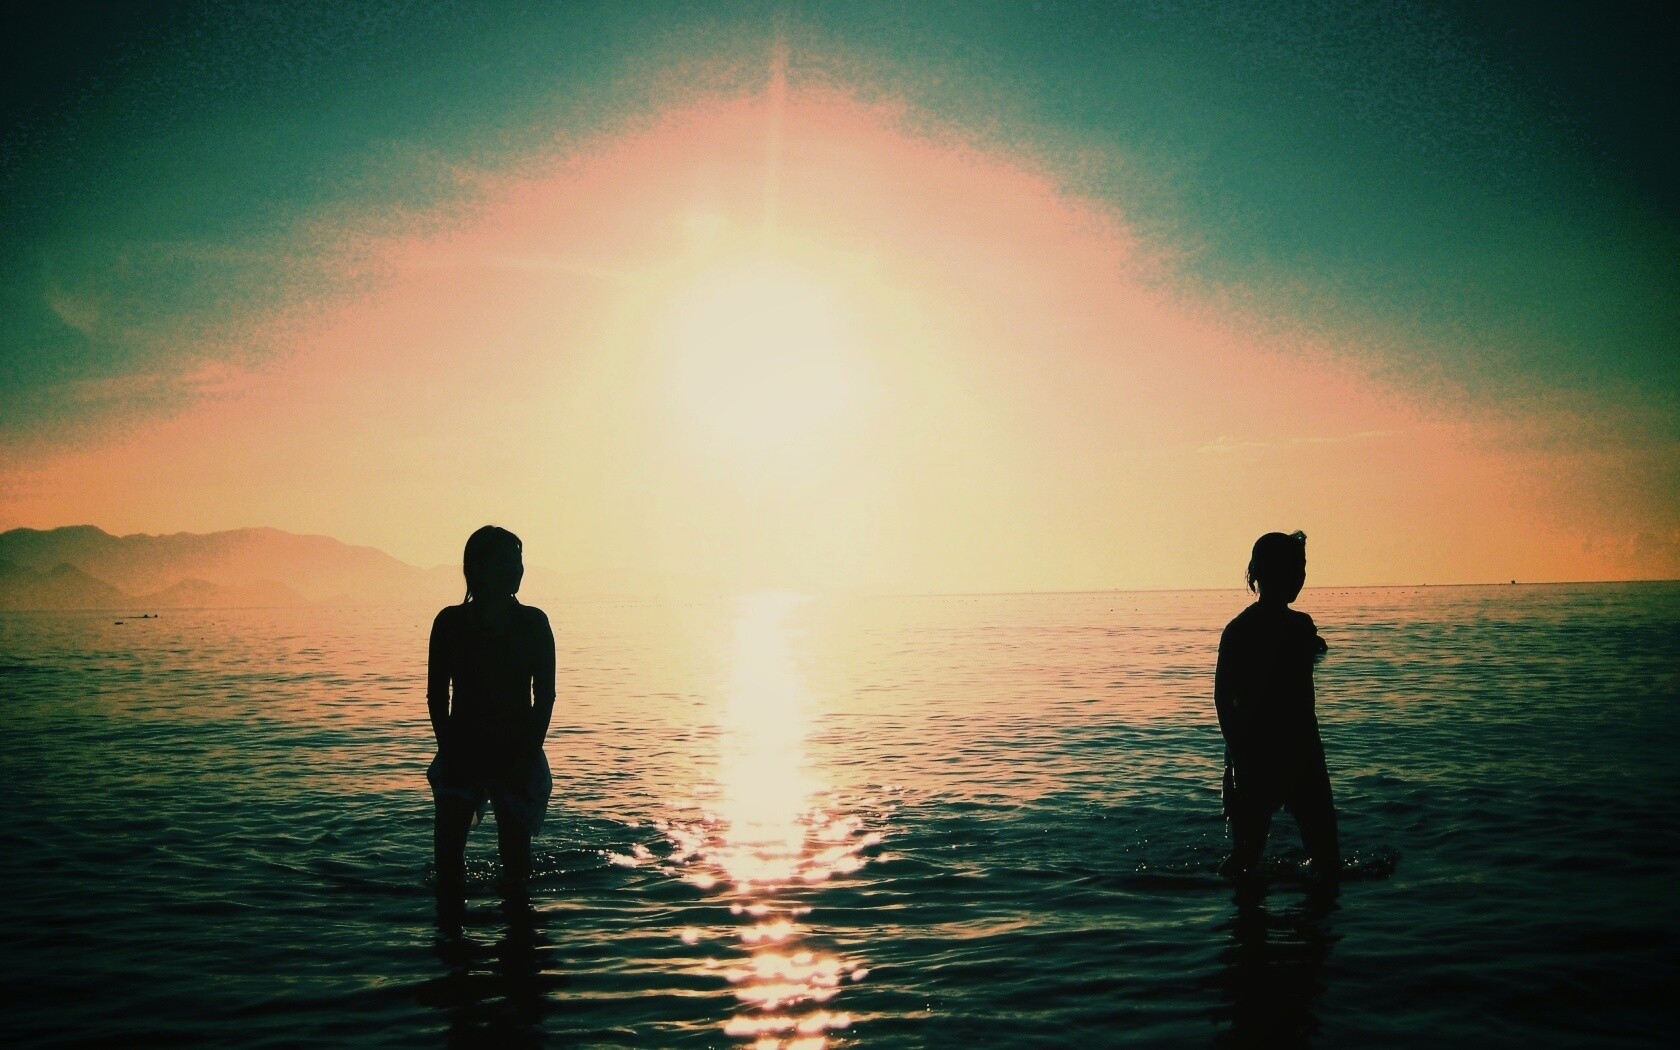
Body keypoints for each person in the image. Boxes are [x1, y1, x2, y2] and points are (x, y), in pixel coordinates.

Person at [427, 525, 556, 933]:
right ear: (477, 568)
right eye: (505, 562)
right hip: (461, 750)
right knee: (448, 862)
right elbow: (436, 696)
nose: (516, 570)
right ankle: (451, 943)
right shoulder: (450, 624)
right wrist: (450, 753)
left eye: (518, 562)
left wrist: (526, 757)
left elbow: (545, 697)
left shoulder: (533, 624)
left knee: (516, 866)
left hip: (516, 752)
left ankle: (518, 940)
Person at [1215, 530, 1339, 880]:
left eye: (1301, 569)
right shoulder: (1242, 631)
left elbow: (1224, 699)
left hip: (1298, 753)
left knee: (1255, 857)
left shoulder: (1297, 626)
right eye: (1293, 569)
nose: (1300, 577)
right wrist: (1238, 759)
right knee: (1250, 856)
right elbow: (1223, 698)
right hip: (1259, 755)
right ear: (1260, 574)